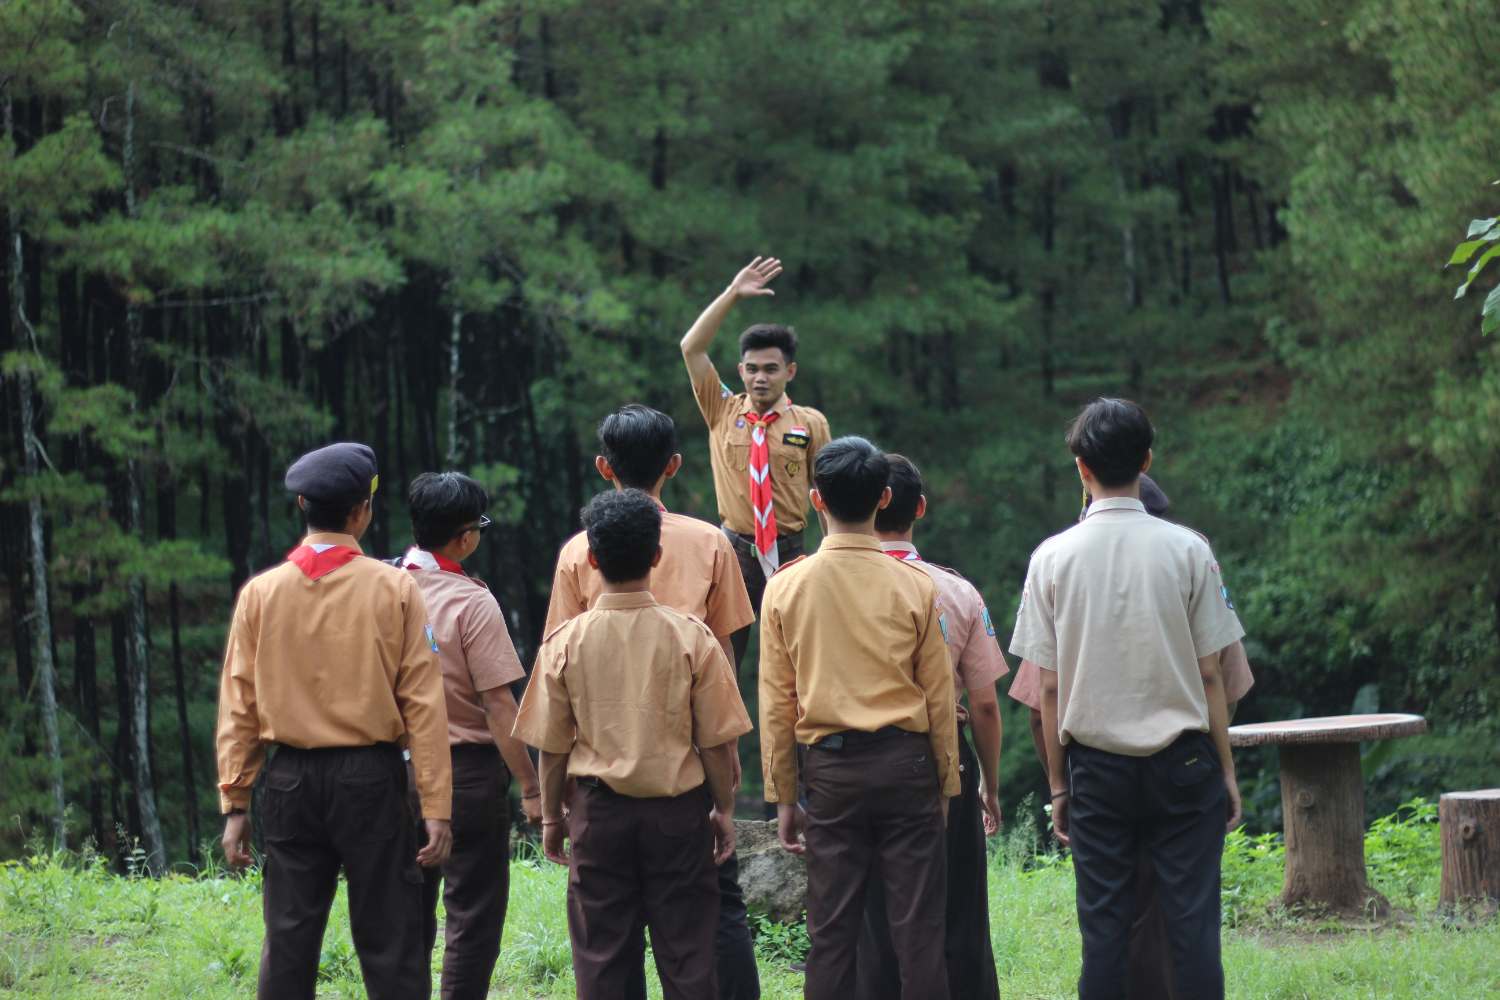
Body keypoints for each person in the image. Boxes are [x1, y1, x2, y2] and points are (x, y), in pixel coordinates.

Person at [1009, 399, 1245, 1000]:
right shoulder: (1190, 549)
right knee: (1193, 928)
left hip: (1097, 770)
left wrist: (1059, 786)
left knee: (1104, 932)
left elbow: (1050, 687)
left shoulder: (1051, 558)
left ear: (1080, 467)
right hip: (1186, 763)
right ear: (1146, 460)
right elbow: (1213, 675)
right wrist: (1225, 769)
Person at [215, 442, 452, 1000]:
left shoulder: (260, 594)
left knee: (289, 938)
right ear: (362, 511)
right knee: (391, 936)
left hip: (290, 780)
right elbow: (423, 703)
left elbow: (239, 707)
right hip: (369, 780)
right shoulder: (395, 588)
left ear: (302, 504)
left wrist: (236, 803)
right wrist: (437, 806)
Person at [543, 404, 761, 1000]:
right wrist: (726, 783)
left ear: (602, 466)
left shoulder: (575, 552)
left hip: (601, 771)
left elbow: (555, 680)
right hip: (688, 765)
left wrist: (553, 804)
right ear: (674, 465)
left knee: (604, 944)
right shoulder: (711, 542)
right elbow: (729, 648)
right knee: (709, 918)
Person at [758, 436, 959, 999]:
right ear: (885, 497)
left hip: (831, 773)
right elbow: (939, 696)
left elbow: (777, 702)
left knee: (831, 931)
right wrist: (947, 780)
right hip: (906, 766)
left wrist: (782, 795)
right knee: (920, 929)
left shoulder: (785, 588)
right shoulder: (916, 586)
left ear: (815, 499)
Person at [858, 454, 1006, 1000]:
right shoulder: (955, 590)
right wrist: (988, 785)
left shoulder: (824, 588)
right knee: (957, 903)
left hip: (857, 758)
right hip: (944, 758)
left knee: (874, 909)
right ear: (919, 508)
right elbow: (986, 706)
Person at [398, 471, 542, 1000]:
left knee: (404, 914)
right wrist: (530, 786)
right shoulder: (472, 602)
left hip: (395, 771)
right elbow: (498, 705)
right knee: (473, 914)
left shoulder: (379, 586)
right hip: (467, 775)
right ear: (464, 538)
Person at [680, 256, 832, 674]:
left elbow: (825, 499)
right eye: (752, 369)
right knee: (721, 668)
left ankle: (799, 742)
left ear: (790, 371)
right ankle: (719, 741)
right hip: (735, 554)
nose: (760, 378)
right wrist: (732, 294)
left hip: (792, 553)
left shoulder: (810, 423)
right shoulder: (722, 409)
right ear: (740, 371)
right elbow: (691, 348)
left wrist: (830, 558)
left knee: (801, 669)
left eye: (770, 369)